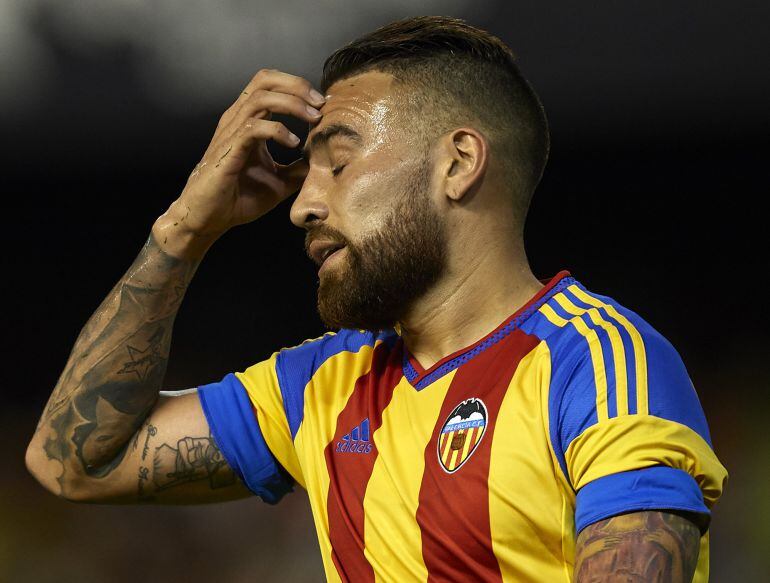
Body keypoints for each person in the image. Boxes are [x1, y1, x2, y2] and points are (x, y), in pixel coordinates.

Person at [26, 15, 727, 583]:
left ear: (457, 164)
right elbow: (70, 461)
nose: (302, 205)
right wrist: (182, 228)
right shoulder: (321, 385)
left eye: (338, 159)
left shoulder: (598, 364)